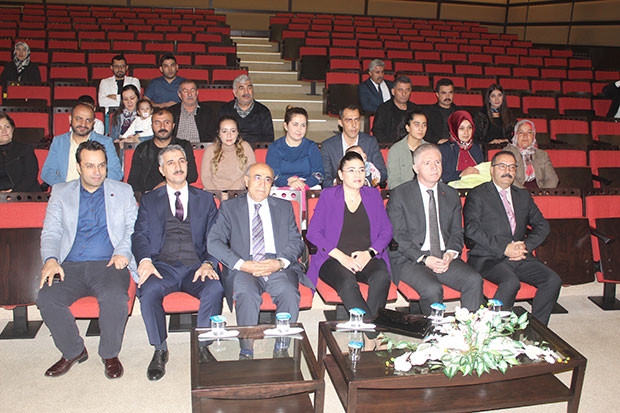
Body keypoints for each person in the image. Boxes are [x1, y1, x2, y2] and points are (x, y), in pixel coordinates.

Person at [37, 141, 138, 379]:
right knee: (47, 298)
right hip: (69, 265)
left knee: (114, 297)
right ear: (78, 167)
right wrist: (50, 259)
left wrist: (123, 252)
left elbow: (133, 227)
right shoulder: (61, 192)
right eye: (90, 166)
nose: (97, 172)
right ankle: (73, 351)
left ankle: (110, 354)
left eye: (101, 165)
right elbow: (51, 232)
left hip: (109, 263)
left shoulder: (123, 191)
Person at [132, 144, 224, 381]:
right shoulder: (150, 200)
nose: (178, 166)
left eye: (181, 161)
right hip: (163, 266)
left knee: (215, 287)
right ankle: (160, 349)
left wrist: (209, 263)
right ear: (162, 170)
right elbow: (140, 235)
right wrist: (145, 261)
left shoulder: (205, 199)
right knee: (148, 290)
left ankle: (203, 345)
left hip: (196, 265)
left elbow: (216, 237)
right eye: (171, 162)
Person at [208, 163, 312, 335]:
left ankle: (283, 345)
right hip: (245, 265)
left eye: (267, 179)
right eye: (257, 178)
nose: (262, 184)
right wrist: (242, 264)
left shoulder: (284, 207)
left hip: (277, 263)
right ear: (246, 181)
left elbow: (296, 242)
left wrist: (280, 262)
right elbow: (214, 241)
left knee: (289, 294)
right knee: (247, 294)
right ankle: (247, 347)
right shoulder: (230, 208)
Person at [463, 150, 562, 325]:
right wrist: (504, 248)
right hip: (488, 257)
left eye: (512, 167)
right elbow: (472, 229)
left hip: (520, 255)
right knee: (510, 282)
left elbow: (542, 226)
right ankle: (494, 329)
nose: (507, 171)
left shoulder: (522, 195)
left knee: (552, 280)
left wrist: (525, 246)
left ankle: (537, 330)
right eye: (502, 166)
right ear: (492, 170)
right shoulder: (478, 194)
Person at [387, 144, 483, 315]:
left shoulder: (451, 194)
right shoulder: (400, 194)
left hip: (443, 256)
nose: (434, 167)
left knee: (474, 280)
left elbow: (457, 231)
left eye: (438, 162)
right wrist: (424, 258)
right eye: (427, 163)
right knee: (432, 289)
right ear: (415, 168)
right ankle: (434, 330)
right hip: (410, 258)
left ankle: (469, 328)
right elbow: (398, 236)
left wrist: (450, 253)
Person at [306, 151, 392, 317]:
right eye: (351, 170)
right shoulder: (329, 195)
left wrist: (369, 253)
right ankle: (372, 329)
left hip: (366, 257)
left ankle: (367, 328)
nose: (357, 175)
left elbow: (386, 231)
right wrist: (342, 257)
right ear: (340, 174)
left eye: (361, 170)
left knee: (382, 277)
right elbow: (313, 232)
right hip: (333, 259)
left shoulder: (373, 195)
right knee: (347, 283)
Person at [42, 103, 122, 187]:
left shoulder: (105, 142)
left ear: (93, 123)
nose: (83, 124)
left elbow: (116, 173)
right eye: (78, 119)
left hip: (95, 190)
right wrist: (65, 188)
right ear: (70, 119)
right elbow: (47, 172)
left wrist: (95, 186)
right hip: (66, 191)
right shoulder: (59, 142)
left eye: (88, 120)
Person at [127, 109, 198, 194]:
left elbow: (192, 175)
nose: (162, 127)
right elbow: (133, 180)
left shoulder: (183, 146)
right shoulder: (142, 149)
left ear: (173, 126)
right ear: (152, 126)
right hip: (149, 195)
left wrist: (167, 184)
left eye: (166, 122)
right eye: (157, 123)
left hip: (177, 192)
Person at [321, 104, 386, 188]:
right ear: (340, 123)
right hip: (339, 192)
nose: (354, 125)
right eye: (349, 120)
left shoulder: (370, 142)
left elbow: (382, 173)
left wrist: (365, 182)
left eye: (357, 120)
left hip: (364, 190)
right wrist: (342, 183)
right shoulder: (328, 146)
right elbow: (325, 180)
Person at [266, 107, 323, 190]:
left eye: (303, 125)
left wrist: (302, 184)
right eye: (295, 124)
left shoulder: (311, 146)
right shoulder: (275, 147)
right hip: (282, 188)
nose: (299, 129)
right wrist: (288, 182)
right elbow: (272, 176)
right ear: (286, 126)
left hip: (307, 187)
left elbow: (319, 174)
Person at [200, 115, 256, 193]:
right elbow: (206, 178)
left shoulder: (245, 147)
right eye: (224, 131)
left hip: (239, 193)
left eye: (233, 131)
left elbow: (251, 172)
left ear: (237, 133)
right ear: (219, 133)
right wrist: (218, 194)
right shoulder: (210, 150)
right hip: (214, 193)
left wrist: (230, 193)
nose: (229, 135)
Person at [218, 74, 274, 142]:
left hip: (255, 147)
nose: (246, 92)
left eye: (249, 87)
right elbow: (218, 136)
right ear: (235, 93)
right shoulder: (225, 110)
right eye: (241, 88)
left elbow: (269, 140)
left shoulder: (263, 111)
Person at [504, 119, 558, 189]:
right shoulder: (508, 152)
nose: (525, 136)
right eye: (521, 132)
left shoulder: (542, 154)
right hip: (516, 191)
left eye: (529, 132)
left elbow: (553, 179)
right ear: (516, 135)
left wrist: (542, 192)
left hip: (540, 190)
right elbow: (509, 177)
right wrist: (524, 192)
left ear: (533, 136)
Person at [387, 109, 429, 189]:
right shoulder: (396, 150)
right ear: (407, 127)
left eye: (424, 125)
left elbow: (437, 178)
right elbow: (393, 182)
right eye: (417, 125)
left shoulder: (430, 150)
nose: (421, 128)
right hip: (404, 192)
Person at [439, 110, 484, 184]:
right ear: (454, 129)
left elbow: (482, 171)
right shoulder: (444, 149)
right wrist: (460, 174)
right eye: (461, 128)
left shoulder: (476, 147)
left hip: (477, 188)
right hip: (452, 189)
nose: (466, 132)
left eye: (469, 127)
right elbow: (440, 176)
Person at [0, 113, 40, 192]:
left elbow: (30, 176)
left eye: (7, 126)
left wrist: (13, 194)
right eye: (0, 128)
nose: (4, 130)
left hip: (23, 194)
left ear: (12, 129)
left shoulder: (25, 149)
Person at [423, 78, 463, 145]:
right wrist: (438, 141)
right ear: (437, 94)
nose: (447, 96)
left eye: (450, 92)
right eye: (444, 93)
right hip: (435, 146)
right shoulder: (428, 112)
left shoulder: (460, 112)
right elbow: (425, 133)